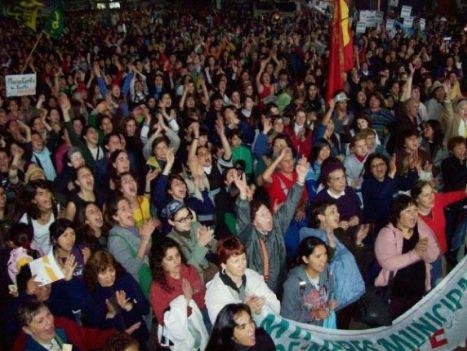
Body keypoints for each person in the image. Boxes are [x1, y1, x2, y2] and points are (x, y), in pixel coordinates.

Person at [233, 155, 308, 293]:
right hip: (259, 290)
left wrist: (300, 178)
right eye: (262, 215)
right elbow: (243, 221)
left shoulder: (276, 225)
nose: (268, 218)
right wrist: (243, 194)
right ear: (254, 222)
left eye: (268, 212)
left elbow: (290, 205)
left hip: (280, 282)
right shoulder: (250, 237)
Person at [374, 195, 440, 318]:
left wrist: (424, 250)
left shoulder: (420, 228)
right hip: (396, 294)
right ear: (397, 214)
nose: (414, 215)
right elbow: (387, 262)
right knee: (394, 326)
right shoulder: (387, 233)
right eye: (408, 211)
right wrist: (415, 254)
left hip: (418, 289)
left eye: (415, 210)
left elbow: (434, 255)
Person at [149, 238, 209, 351]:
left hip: (199, 317)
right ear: (160, 262)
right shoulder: (157, 287)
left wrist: (194, 295)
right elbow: (163, 319)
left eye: (177, 255)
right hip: (177, 334)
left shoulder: (190, 270)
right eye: (170, 258)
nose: (176, 261)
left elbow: (201, 301)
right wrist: (185, 301)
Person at [205, 236, 280, 324]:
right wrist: (247, 310)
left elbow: (276, 306)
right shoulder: (215, 292)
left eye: (243, 259)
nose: (242, 265)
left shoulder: (252, 275)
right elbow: (221, 327)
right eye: (236, 261)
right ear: (224, 265)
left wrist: (260, 307)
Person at [84, 250, 149, 348]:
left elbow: (145, 309)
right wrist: (111, 315)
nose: (109, 276)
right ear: (94, 274)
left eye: (111, 270)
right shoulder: (92, 293)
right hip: (115, 345)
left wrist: (128, 307)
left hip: (138, 338)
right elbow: (95, 329)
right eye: (103, 272)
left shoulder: (125, 279)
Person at [12, 301, 118, 351]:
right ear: (27, 330)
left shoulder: (62, 325)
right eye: (40, 321)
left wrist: (117, 336)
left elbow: (87, 338)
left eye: (48, 314)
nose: (49, 322)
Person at [105, 195, 157, 297]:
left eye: (129, 206)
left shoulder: (133, 228)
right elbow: (132, 269)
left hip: (149, 277)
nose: (130, 211)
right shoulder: (115, 241)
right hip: (139, 287)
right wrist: (144, 240)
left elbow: (146, 252)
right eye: (124, 209)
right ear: (115, 216)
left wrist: (147, 236)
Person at [281, 236, 337, 327]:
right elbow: (286, 315)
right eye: (318, 256)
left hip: (323, 327)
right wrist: (313, 314)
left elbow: (331, 290)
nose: (324, 260)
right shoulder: (293, 283)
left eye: (325, 254)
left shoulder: (326, 270)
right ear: (305, 259)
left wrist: (330, 301)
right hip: (305, 333)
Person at [162, 200, 218, 282]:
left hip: (210, 270)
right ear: (171, 222)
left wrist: (209, 242)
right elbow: (187, 270)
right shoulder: (170, 241)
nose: (188, 221)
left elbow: (216, 247)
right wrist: (201, 244)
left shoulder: (195, 225)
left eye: (188, 216)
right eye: (182, 220)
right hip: (196, 281)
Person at [205, 303, 275, 351]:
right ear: (230, 334)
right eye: (243, 327)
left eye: (250, 321)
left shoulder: (262, 338)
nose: (251, 329)